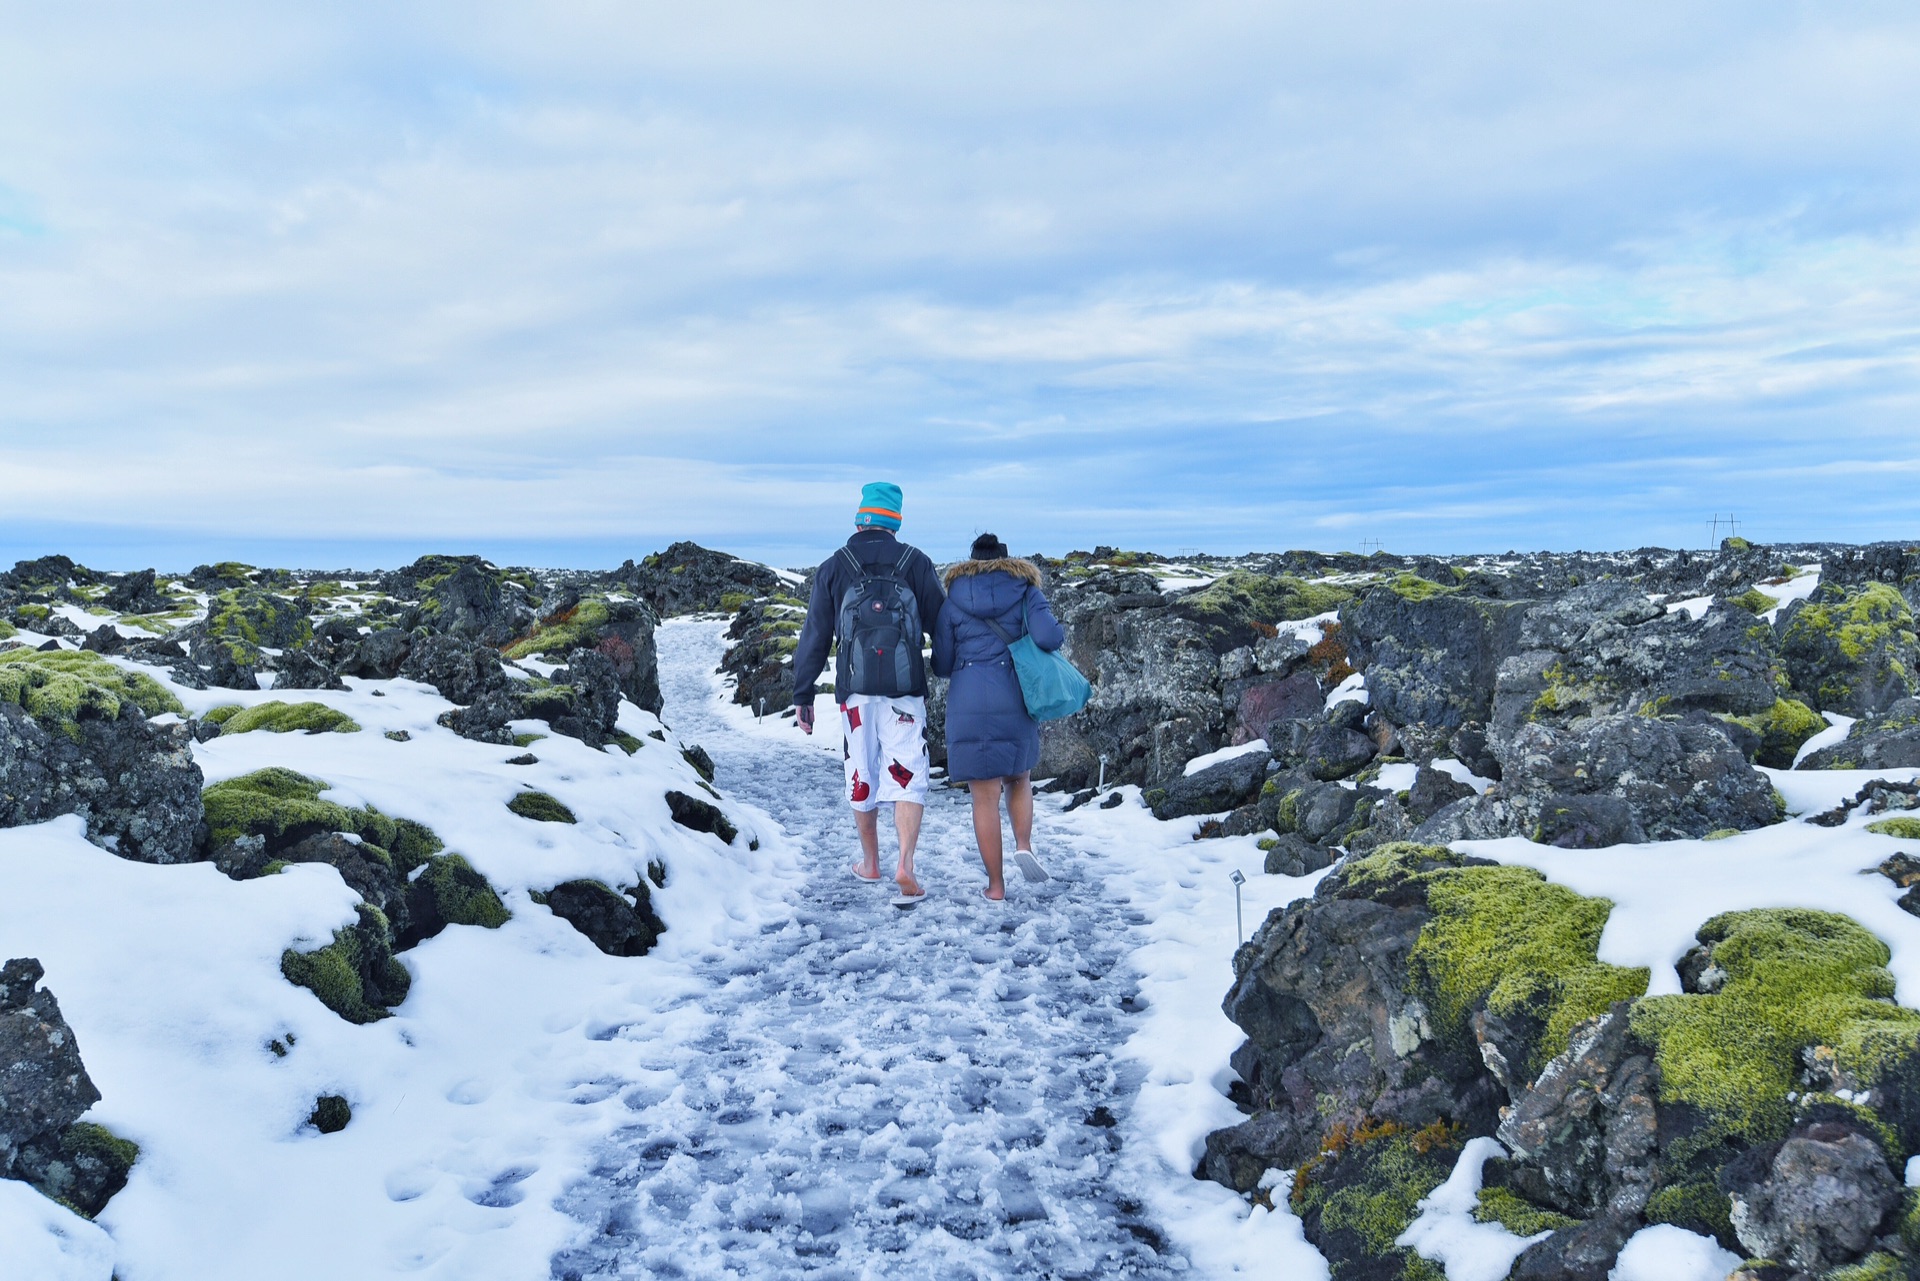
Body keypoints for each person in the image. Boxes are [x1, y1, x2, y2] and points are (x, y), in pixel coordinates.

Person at [790, 482, 947, 897]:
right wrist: (946, 665)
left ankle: (872, 863)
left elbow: (815, 636)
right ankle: (906, 862)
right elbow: (941, 624)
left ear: (860, 519)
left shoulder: (834, 566)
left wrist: (803, 694)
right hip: (906, 689)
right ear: (895, 521)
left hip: (855, 693)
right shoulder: (916, 562)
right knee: (908, 770)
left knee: (861, 770)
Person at [930, 533, 1067, 901]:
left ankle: (995, 885)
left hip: (968, 703)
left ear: (970, 561)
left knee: (983, 797)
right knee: (1019, 777)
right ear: (1007, 560)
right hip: (1014, 697)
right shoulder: (1025, 590)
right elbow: (1049, 637)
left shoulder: (954, 599)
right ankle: (1024, 844)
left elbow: (941, 664)